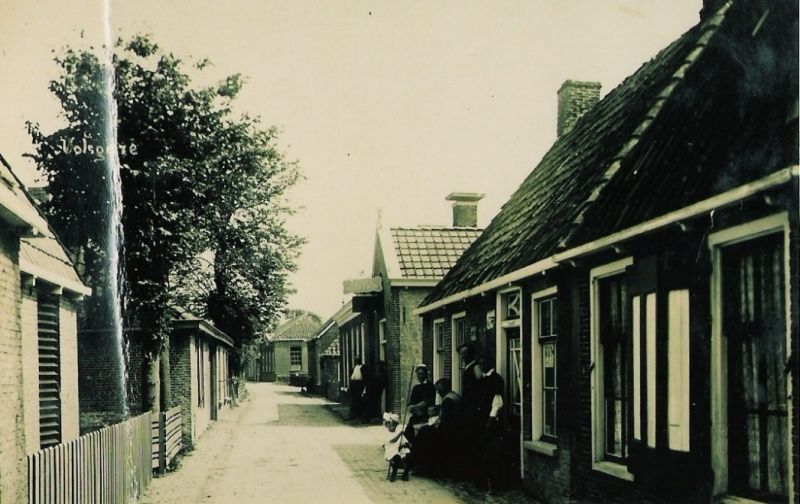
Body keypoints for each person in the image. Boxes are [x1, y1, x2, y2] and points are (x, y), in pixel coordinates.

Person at [474, 352, 505, 491]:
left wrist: (490, 420)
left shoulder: (496, 379)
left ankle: (496, 483)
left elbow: (497, 402)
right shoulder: (482, 379)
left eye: (483, 363)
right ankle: (483, 483)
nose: (481, 366)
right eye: (479, 364)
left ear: (488, 363)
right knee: (482, 450)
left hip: (491, 421)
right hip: (481, 420)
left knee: (492, 452)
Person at [434, 377, 463, 477]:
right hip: (459, 427)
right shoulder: (455, 395)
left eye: (438, 390)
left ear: (443, 388)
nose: (438, 393)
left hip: (452, 429)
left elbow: (446, 418)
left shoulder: (448, 399)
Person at [382, 412, 411, 482]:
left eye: (394, 426)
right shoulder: (385, 433)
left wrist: (406, 444)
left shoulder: (397, 432)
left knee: (409, 455)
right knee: (396, 457)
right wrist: (399, 434)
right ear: (387, 425)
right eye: (390, 425)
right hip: (391, 450)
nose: (392, 427)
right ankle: (393, 474)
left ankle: (405, 474)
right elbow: (393, 441)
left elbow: (406, 442)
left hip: (399, 450)